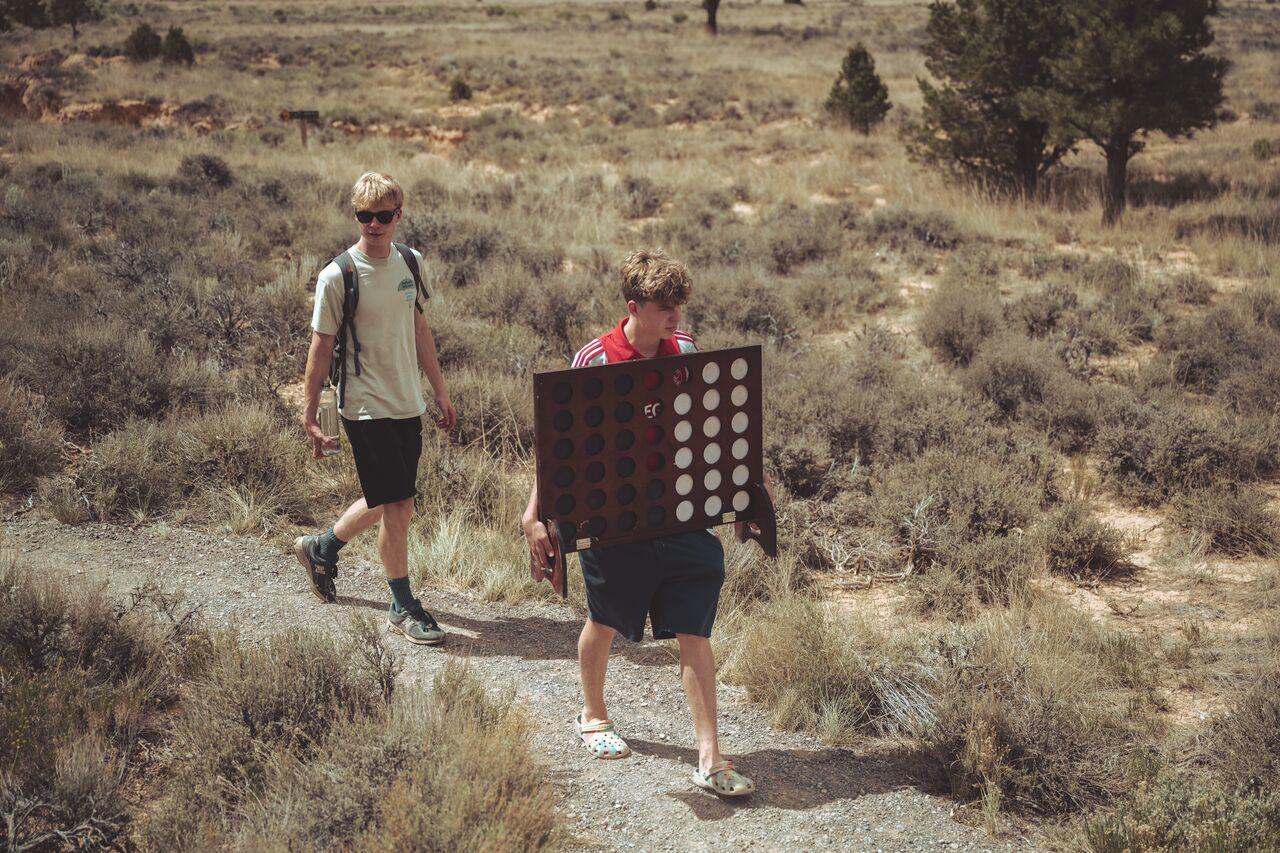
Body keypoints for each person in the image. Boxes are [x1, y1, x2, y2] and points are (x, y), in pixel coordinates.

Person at [521, 250, 768, 797]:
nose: (675, 315)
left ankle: (709, 754)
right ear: (634, 306)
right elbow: (558, 445)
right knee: (605, 618)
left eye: (679, 304)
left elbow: (713, 425)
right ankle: (593, 714)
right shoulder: (596, 358)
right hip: (612, 512)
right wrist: (535, 513)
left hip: (678, 511)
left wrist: (749, 480)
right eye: (664, 306)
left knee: (694, 628)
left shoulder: (685, 350)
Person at [295, 171, 457, 646]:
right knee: (399, 504)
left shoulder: (411, 262)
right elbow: (320, 348)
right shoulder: (337, 275)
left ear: (398, 216)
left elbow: (419, 329)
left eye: (383, 216)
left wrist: (440, 390)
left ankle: (321, 548)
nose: (373, 224)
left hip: (408, 401)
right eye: (364, 216)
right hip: (364, 406)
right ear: (356, 216)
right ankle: (402, 604)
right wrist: (310, 412)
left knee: (391, 496)